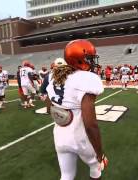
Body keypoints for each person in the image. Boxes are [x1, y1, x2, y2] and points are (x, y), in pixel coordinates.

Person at [43, 39, 108, 180]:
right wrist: (100, 153)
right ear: (79, 59)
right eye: (88, 58)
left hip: (60, 135)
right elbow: (90, 125)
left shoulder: (54, 76)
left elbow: (49, 108)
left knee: (66, 175)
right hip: (80, 137)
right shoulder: (87, 78)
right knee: (96, 168)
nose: (91, 62)